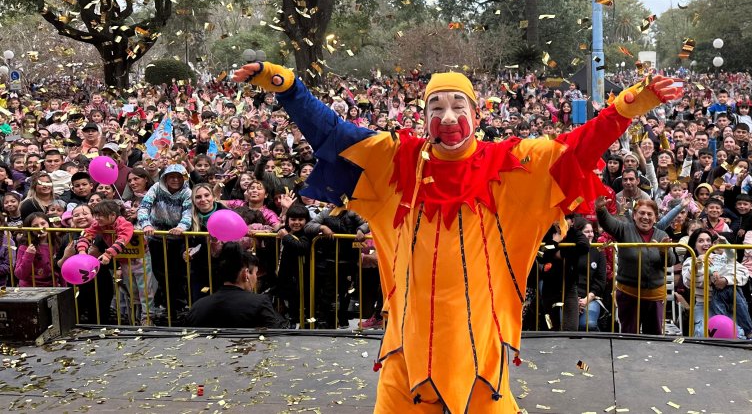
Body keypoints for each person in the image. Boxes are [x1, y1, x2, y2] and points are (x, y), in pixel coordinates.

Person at [232, 61, 681, 413]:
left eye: (457, 106)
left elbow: (577, 147)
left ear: (476, 112)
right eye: (436, 107)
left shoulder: (511, 162)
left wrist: (627, 106)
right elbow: (332, 134)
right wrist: (285, 86)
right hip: (409, 333)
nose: (447, 118)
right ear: (422, 114)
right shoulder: (396, 159)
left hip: (478, 336)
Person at [595, 197, 675, 335]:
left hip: (654, 297)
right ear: (634, 215)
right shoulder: (624, 229)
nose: (645, 217)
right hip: (628, 295)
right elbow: (608, 223)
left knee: (654, 337)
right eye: (641, 213)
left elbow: (671, 261)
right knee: (629, 337)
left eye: (650, 214)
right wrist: (601, 210)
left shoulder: (662, 235)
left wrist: (664, 252)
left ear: (655, 218)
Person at [184, 242, 288, 328]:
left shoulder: (198, 307)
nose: (256, 278)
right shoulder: (260, 303)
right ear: (246, 273)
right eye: (256, 273)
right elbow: (276, 336)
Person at [137, 164, 193, 318]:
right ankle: (163, 306)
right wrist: (146, 224)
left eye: (178, 177)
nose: (175, 180)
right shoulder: (156, 188)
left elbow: (188, 212)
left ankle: (178, 307)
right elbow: (144, 207)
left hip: (177, 238)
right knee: (159, 273)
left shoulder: (187, 192)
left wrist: (182, 227)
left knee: (178, 274)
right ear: (165, 178)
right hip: (156, 236)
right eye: (171, 177)